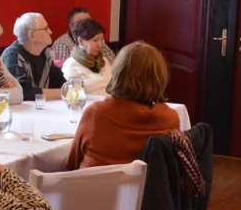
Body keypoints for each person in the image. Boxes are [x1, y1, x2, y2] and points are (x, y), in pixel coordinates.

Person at [66, 41, 180, 170]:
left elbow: (72, 164)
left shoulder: (96, 113)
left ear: (118, 72)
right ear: (160, 76)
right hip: (143, 189)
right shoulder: (171, 118)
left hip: (92, 187)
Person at [1, 12, 65, 100]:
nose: (50, 32)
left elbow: (58, 81)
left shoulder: (45, 53)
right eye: (46, 28)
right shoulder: (12, 55)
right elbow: (24, 92)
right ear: (32, 35)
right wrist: (63, 93)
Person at [60, 18, 113, 96]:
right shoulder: (71, 64)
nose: (100, 45)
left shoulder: (104, 60)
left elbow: (113, 85)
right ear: (81, 41)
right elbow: (75, 94)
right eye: (95, 40)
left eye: (101, 40)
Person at [51, 7, 116, 63]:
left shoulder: (97, 37)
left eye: (88, 21)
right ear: (71, 26)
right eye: (80, 23)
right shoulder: (62, 43)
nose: (86, 25)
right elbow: (61, 71)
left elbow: (112, 59)